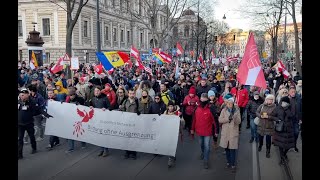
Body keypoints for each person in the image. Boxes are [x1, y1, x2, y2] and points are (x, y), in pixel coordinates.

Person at [18, 88, 52, 159]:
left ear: (27, 95)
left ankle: (34, 148)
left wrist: (46, 114)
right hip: (20, 124)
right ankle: (19, 154)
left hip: (29, 123)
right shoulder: (18, 101)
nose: (22, 97)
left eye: (23, 95)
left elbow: (39, 109)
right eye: (21, 95)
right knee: (20, 139)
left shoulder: (32, 102)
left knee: (32, 137)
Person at [191, 93, 216, 169]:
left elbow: (214, 121)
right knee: (201, 144)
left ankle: (206, 161)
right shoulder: (196, 108)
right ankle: (203, 152)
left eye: (205, 98)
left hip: (207, 131)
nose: (203, 100)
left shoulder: (211, 108)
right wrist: (192, 129)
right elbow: (194, 120)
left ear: (207, 99)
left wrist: (216, 131)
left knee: (207, 147)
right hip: (199, 130)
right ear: (200, 99)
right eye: (202, 98)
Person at [218, 94, 241, 172]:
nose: (229, 105)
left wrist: (234, 118)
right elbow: (220, 120)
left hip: (233, 133)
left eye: (231, 103)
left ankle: (233, 164)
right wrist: (228, 119)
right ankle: (228, 161)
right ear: (226, 104)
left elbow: (239, 121)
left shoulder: (237, 111)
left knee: (232, 150)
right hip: (225, 133)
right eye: (228, 103)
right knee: (227, 149)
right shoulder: (223, 110)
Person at [120, 89, 141, 159]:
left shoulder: (137, 101)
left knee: (133, 138)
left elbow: (141, 110)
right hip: (127, 123)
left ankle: (134, 153)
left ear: (134, 94)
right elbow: (122, 109)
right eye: (130, 94)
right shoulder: (125, 101)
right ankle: (127, 152)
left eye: (133, 94)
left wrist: (139, 112)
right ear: (128, 94)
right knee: (127, 138)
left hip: (134, 123)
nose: (132, 95)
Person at [90, 86, 111, 157]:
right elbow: (91, 106)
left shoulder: (105, 98)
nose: (96, 92)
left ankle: (106, 149)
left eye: (98, 91)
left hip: (104, 120)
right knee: (99, 135)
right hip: (97, 119)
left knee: (104, 135)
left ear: (100, 91)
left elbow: (110, 107)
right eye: (95, 91)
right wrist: (91, 107)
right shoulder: (93, 99)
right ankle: (101, 149)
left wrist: (106, 109)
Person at [273, 96, 295, 164]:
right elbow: (273, 115)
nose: (284, 103)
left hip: (288, 129)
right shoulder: (277, 108)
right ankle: (282, 157)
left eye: (286, 102)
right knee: (280, 144)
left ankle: (284, 154)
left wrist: (286, 108)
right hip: (280, 128)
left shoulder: (290, 108)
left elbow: (291, 116)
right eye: (283, 102)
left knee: (289, 144)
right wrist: (277, 119)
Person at [65, 86, 87, 153]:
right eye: (69, 95)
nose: (70, 97)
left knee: (80, 132)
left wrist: (79, 105)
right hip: (71, 119)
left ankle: (83, 143)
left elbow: (85, 108)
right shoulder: (68, 100)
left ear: (74, 94)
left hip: (79, 119)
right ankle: (71, 148)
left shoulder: (80, 99)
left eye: (71, 95)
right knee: (70, 133)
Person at [164, 101, 181, 168]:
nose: (170, 108)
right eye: (169, 106)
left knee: (172, 145)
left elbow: (181, 122)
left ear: (173, 106)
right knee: (168, 145)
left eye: (171, 106)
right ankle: (172, 156)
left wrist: (179, 117)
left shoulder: (177, 113)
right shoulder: (165, 112)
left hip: (174, 132)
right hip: (167, 131)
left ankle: (170, 159)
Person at [288, 87, 302, 152]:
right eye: (292, 92)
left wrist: (300, 119)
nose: (293, 93)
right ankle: (289, 146)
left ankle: (294, 145)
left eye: (294, 92)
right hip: (289, 120)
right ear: (289, 93)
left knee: (296, 133)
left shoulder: (298, 99)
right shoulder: (286, 99)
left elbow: (301, 109)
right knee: (290, 134)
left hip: (296, 120)